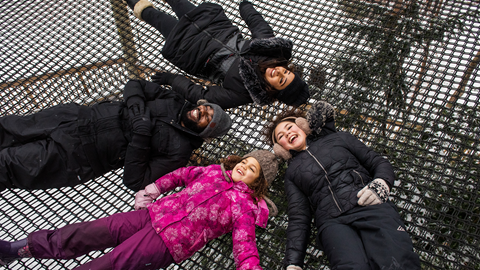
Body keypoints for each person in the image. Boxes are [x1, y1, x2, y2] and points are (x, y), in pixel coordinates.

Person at [0, 150, 279, 269]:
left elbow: (245, 246)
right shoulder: (212, 172)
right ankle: (21, 249)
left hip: (169, 244)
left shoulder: (244, 207)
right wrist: (154, 190)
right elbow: (181, 174)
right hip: (151, 214)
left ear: (258, 182)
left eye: (252, 169)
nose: (244, 166)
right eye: (246, 161)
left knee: (111, 265)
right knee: (90, 231)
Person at [264, 101, 421, 270]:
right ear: (281, 148)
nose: (287, 134)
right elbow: (298, 218)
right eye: (280, 136)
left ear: (302, 126)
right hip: (333, 224)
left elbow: (377, 162)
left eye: (289, 127)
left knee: (395, 261)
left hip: (368, 204)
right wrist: (293, 262)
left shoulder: (340, 138)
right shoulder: (292, 173)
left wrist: (381, 183)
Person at [0, 79, 231, 192]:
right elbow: (136, 84)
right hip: (74, 118)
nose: (201, 111)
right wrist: (136, 110)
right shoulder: (174, 101)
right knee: (8, 128)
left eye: (205, 118)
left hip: (76, 157)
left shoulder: (179, 153)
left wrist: (140, 137)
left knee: (8, 165)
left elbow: (135, 181)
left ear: (204, 130)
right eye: (206, 108)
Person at [125, 0, 310, 109]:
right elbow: (258, 24)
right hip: (212, 24)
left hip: (189, 46)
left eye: (282, 80)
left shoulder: (244, 93)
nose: (278, 72)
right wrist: (245, 5)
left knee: (153, 15)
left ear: (274, 90)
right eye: (285, 72)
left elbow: (202, 94)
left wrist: (172, 80)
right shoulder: (270, 51)